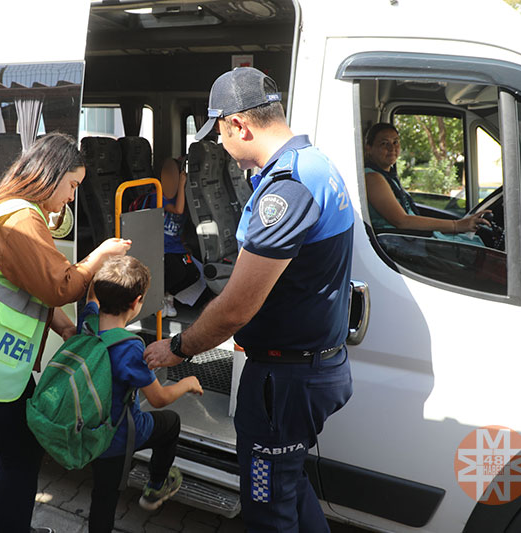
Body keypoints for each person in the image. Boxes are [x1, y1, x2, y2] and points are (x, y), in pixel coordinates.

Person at [144, 67, 353, 532]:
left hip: (284, 381)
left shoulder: (287, 189)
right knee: (290, 485)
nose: (219, 146)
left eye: (219, 134)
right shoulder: (314, 165)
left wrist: (178, 349)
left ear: (239, 125)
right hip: (307, 368)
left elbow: (236, 308)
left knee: (267, 509)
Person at [0, 133, 131, 533]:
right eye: (72, 186)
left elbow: (25, 288)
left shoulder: (3, 208)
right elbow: (61, 285)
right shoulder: (21, 219)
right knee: (21, 455)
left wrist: (66, 328)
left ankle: (1, 525)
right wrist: (99, 256)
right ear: (51, 175)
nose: (72, 197)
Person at [82, 255, 203, 533]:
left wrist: (102, 258)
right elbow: (159, 399)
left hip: (89, 425)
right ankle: (156, 486)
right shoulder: (129, 347)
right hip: (117, 435)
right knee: (170, 423)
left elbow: (91, 295)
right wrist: (188, 383)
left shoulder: (87, 323)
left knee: (102, 496)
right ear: (137, 303)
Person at [364, 122, 489, 238]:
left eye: (395, 142)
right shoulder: (372, 178)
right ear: (369, 148)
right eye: (384, 143)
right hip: (400, 242)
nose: (392, 148)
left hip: (410, 238)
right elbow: (402, 221)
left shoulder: (387, 175)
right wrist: (457, 225)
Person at [160, 157, 200, 317]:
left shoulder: (182, 195)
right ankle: (159, 296)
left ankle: (168, 295)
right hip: (164, 247)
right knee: (177, 272)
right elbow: (178, 210)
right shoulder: (159, 195)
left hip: (178, 246)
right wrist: (182, 185)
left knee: (192, 274)